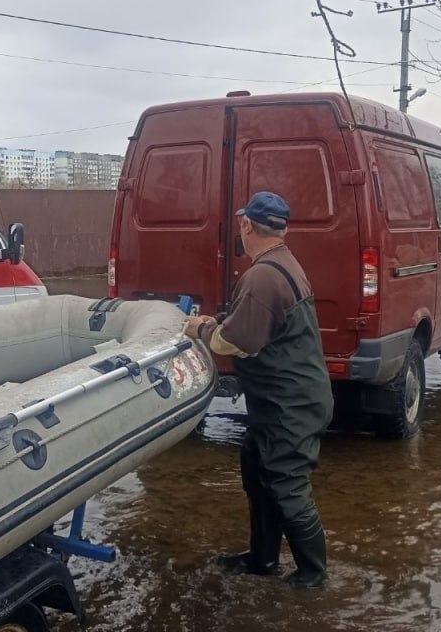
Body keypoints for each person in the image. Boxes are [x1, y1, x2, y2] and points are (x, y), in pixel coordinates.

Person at [184, 191, 334, 590]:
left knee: (287, 484)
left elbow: (235, 342)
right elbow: (253, 325)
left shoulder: (263, 275)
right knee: (257, 471)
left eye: (241, 223)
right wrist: (221, 321)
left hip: (292, 405)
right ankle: (262, 559)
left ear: (247, 226)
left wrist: (200, 329)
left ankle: (314, 577)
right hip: (280, 401)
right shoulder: (280, 263)